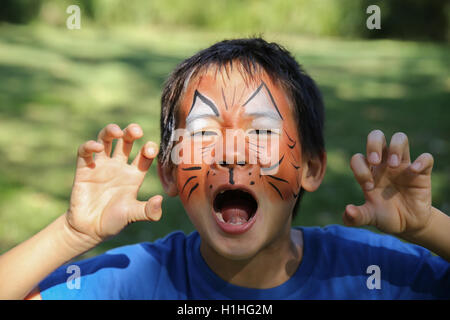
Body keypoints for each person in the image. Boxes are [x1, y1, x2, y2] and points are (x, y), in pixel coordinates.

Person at [0, 38, 449, 300]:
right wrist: (71, 234)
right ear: (171, 174)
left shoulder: (374, 273)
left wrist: (428, 226)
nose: (232, 155)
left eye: (261, 132)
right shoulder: (136, 281)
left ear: (311, 168)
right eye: (201, 134)